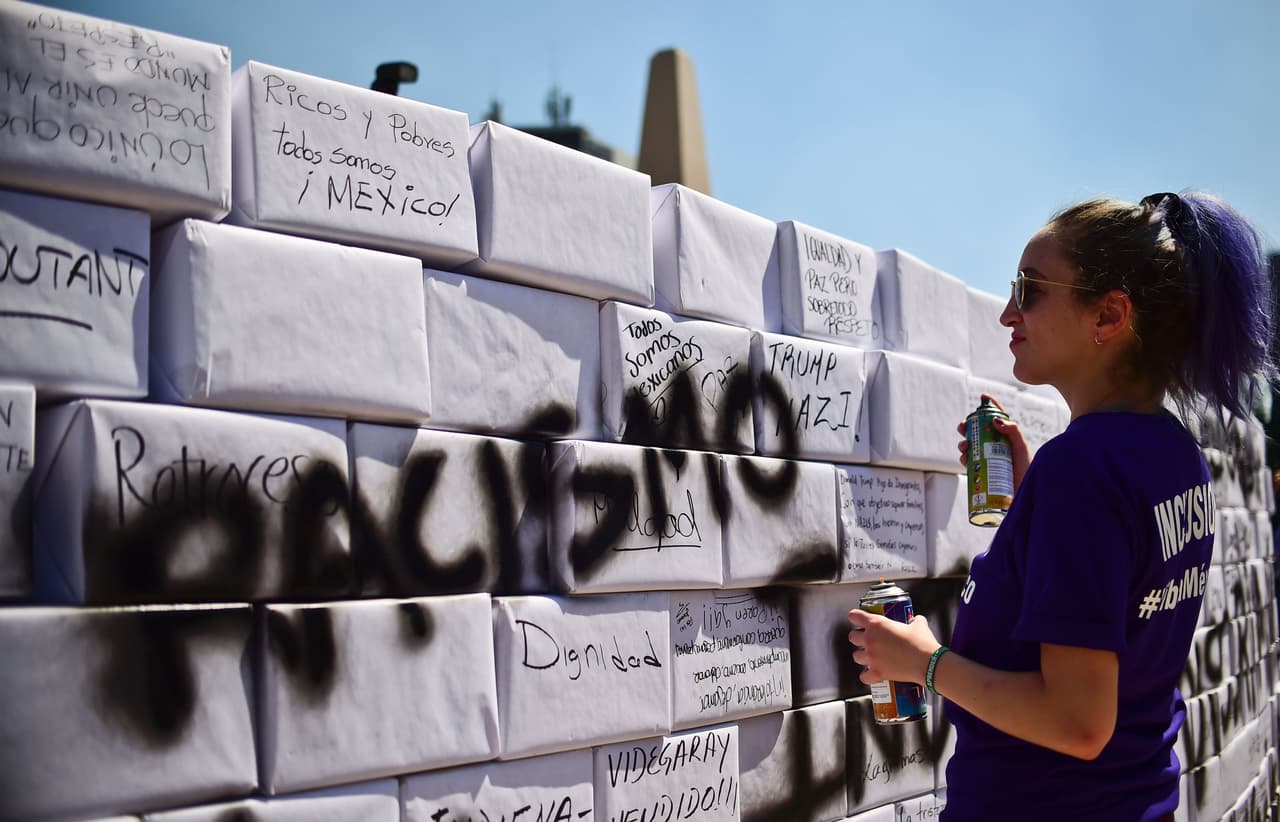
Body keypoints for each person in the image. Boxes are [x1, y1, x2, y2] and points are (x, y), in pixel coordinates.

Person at [848, 191, 1274, 821]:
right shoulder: (1171, 452)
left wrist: (924, 662)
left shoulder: (1082, 472)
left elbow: (1078, 723)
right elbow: (1126, 590)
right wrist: (1034, 510)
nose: (1007, 314)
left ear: (1108, 316)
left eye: (1029, 289)